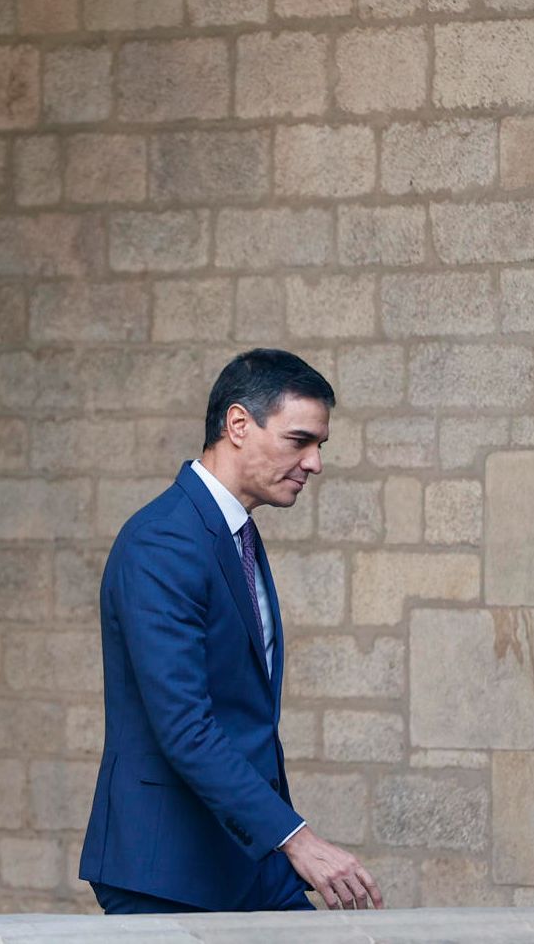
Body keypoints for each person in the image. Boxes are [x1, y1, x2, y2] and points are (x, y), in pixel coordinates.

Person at [79, 349, 383, 913]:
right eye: (300, 441)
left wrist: (277, 840)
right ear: (238, 424)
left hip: (249, 858)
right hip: (168, 869)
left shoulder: (233, 533)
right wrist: (297, 839)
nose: (314, 463)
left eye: (320, 446)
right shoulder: (163, 540)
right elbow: (184, 725)